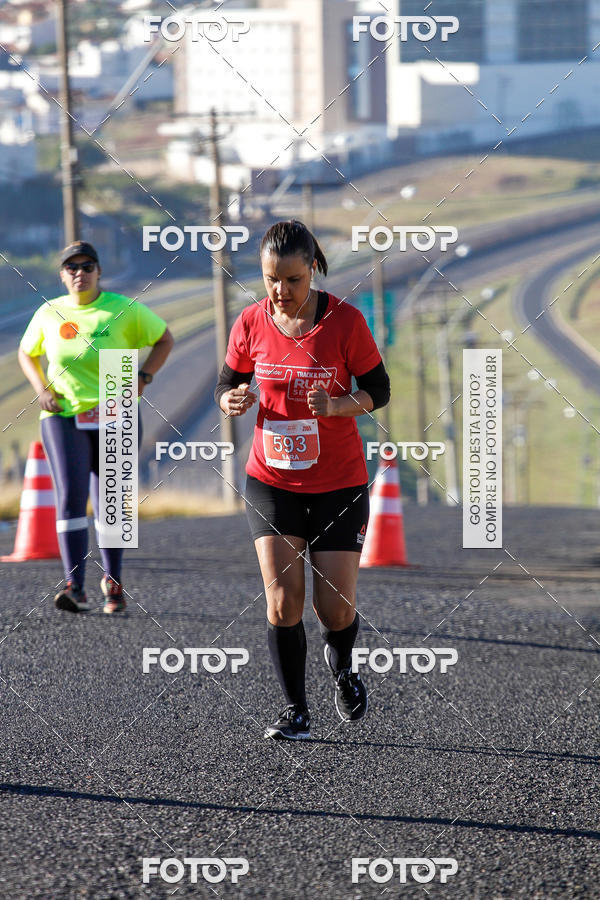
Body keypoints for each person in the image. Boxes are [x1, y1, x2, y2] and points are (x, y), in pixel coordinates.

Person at [215, 220, 390, 739]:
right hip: (271, 481)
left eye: (292, 280)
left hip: (338, 483)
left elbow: (379, 390)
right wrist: (230, 400)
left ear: (312, 269)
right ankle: (295, 710)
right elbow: (229, 381)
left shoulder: (345, 322)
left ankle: (343, 668)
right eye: (271, 279)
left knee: (332, 609)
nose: (280, 292)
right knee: (283, 601)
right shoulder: (250, 322)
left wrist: (337, 405)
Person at [18, 240, 174, 614]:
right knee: (71, 496)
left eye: (88, 266)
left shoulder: (123, 310)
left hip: (115, 409)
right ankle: (74, 585)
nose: (80, 273)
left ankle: (113, 583)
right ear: (62, 275)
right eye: (72, 267)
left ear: (99, 272)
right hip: (65, 414)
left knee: (111, 503)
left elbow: (165, 339)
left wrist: (144, 377)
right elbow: (27, 351)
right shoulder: (49, 312)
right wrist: (41, 389)